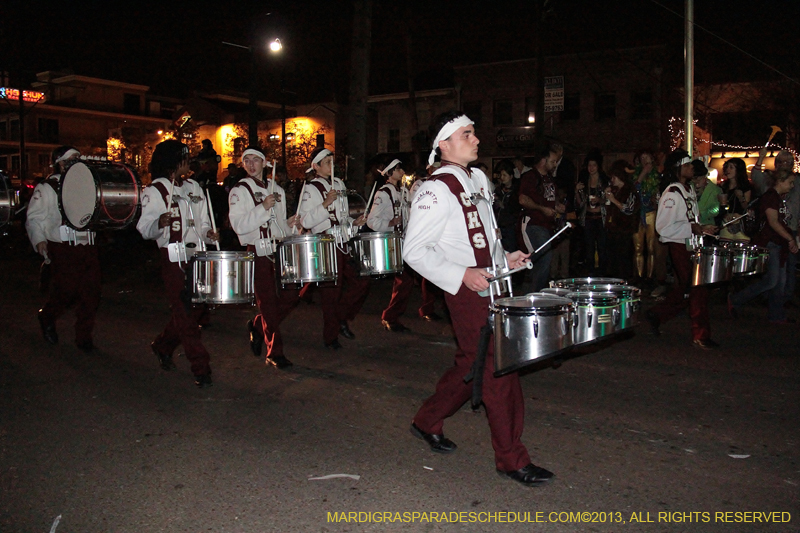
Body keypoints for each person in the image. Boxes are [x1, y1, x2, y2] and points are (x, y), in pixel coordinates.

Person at [404, 110, 553, 487]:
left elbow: (485, 236)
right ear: (444, 144)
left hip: (494, 283)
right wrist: (461, 275)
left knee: (473, 364)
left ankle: (426, 420)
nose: (477, 139)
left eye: (473, 132)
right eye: (467, 134)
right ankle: (511, 458)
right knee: (498, 367)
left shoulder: (478, 179)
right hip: (468, 293)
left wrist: (505, 258)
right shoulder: (434, 190)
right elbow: (414, 251)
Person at [136, 140, 219, 387]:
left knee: (198, 309)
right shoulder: (155, 191)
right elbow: (144, 228)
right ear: (174, 161)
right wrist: (158, 223)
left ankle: (163, 345)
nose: (189, 162)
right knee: (185, 313)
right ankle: (200, 367)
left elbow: (203, 222)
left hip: (197, 257)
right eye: (185, 158)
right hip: (174, 258)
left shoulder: (194, 186)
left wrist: (209, 234)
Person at [229, 147, 301, 368]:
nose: (251, 165)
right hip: (257, 250)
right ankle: (274, 352)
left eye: (255, 160)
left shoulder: (275, 188)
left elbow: (279, 226)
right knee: (268, 302)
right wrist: (262, 207)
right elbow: (239, 225)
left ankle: (258, 326)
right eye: (247, 161)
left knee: (292, 294)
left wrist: (290, 225)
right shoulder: (240, 190)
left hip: (277, 249)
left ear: (264, 163)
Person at [25, 146, 101, 351]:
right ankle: (47, 316)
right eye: (71, 159)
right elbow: (34, 217)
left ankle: (84, 337)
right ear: (59, 163)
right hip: (62, 245)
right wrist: (39, 240)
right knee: (66, 291)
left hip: (87, 244)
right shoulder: (48, 187)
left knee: (91, 293)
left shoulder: (86, 185)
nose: (76, 162)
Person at [645, 149, 720, 350]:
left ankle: (657, 314)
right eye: (687, 165)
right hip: (679, 246)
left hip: (692, 245)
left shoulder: (687, 190)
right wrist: (692, 228)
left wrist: (702, 228)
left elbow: (690, 219)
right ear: (678, 168)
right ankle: (700, 334)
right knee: (697, 289)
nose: (691, 168)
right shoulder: (672, 193)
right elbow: (663, 227)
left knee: (687, 289)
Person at [297, 147, 370, 350]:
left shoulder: (338, 183)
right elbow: (305, 220)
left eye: (332, 162)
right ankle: (331, 337)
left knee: (361, 281)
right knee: (331, 293)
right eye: (327, 162)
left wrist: (354, 224)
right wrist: (325, 204)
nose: (332, 165)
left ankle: (340, 318)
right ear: (316, 166)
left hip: (343, 242)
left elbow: (343, 216)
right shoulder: (310, 188)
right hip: (325, 244)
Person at [729, 164, 798, 323]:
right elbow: (773, 222)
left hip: (776, 242)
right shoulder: (771, 197)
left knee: (778, 282)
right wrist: (789, 238)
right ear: (780, 181)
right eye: (790, 182)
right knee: (772, 281)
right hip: (770, 242)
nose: (792, 186)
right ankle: (736, 299)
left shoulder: (777, 198)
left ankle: (776, 315)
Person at [367, 158, 414, 332]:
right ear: (389, 172)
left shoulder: (403, 191)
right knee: (404, 280)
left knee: (406, 281)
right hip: (393, 241)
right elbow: (372, 221)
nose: (402, 172)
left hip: (405, 240)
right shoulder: (383, 193)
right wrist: (390, 223)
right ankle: (390, 316)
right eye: (398, 169)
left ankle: (392, 315)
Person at [752, 148, 799, 303]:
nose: (786, 164)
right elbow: (773, 221)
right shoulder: (770, 188)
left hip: (789, 230)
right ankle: (769, 301)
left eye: (789, 162)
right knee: (775, 275)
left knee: (786, 270)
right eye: (782, 162)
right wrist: (761, 158)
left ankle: (782, 302)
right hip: (773, 236)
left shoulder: (795, 183)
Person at [518, 143, 565, 292]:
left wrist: (557, 205)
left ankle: (531, 291)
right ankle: (534, 292)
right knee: (544, 256)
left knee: (539, 259)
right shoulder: (530, 177)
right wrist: (542, 209)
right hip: (533, 223)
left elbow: (549, 198)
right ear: (544, 160)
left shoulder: (549, 179)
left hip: (547, 225)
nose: (555, 164)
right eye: (553, 161)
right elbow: (523, 199)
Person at [604, 160, 640, 279]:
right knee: (612, 262)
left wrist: (614, 200)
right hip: (612, 230)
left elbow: (630, 209)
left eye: (614, 177)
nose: (612, 179)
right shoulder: (614, 190)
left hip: (624, 231)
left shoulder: (630, 190)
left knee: (624, 262)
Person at [574, 151, 609, 276]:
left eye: (594, 165)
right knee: (589, 247)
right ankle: (590, 272)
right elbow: (580, 203)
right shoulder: (584, 181)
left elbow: (609, 201)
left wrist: (600, 200)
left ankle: (602, 273)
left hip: (601, 218)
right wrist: (576, 191)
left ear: (598, 166)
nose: (591, 168)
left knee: (602, 247)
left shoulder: (604, 181)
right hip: (588, 217)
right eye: (589, 165)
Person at [632, 149, 664, 285]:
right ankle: (639, 277)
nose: (645, 160)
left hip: (652, 213)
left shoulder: (658, 176)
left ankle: (650, 278)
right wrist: (642, 174)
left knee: (651, 248)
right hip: (638, 214)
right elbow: (633, 191)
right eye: (642, 158)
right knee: (638, 248)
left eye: (647, 157)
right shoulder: (635, 175)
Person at [718, 158, 752, 241]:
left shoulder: (745, 186)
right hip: (726, 221)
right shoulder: (723, 186)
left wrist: (741, 197)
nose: (728, 170)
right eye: (727, 167)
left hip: (739, 221)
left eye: (731, 167)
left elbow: (747, 207)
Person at [691, 160, 722, 226]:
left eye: (699, 179)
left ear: (704, 176)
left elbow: (716, 209)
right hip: (690, 225)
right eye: (693, 179)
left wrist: (701, 214)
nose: (696, 183)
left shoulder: (715, 190)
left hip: (707, 225)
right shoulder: (688, 187)